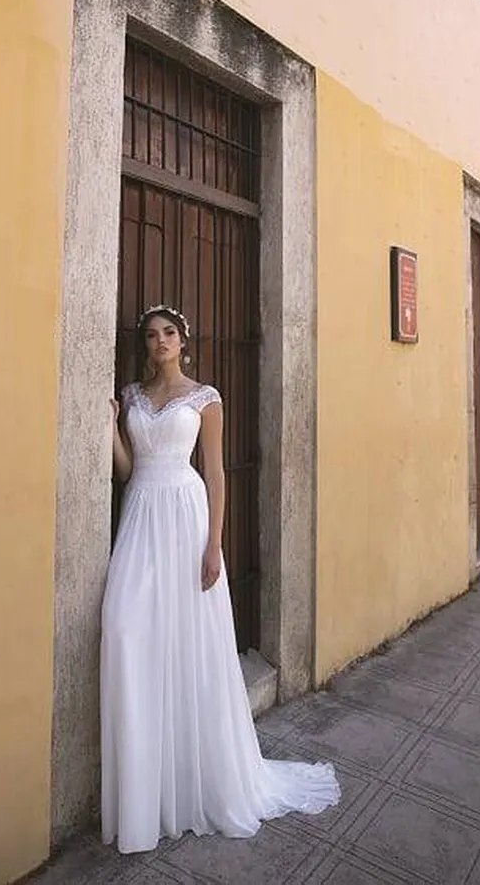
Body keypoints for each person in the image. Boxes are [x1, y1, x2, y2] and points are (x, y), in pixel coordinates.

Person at [100, 304, 340, 853]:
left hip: (187, 519)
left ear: (184, 340)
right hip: (140, 515)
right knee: (123, 628)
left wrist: (215, 545)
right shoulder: (134, 396)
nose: (160, 341)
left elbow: (214, 473)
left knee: (188, 644)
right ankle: (145, 787)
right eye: (152, 335)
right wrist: (111, 426)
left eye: (169, 333)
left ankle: (194, 779)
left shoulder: (205, 398)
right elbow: (127, 471)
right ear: (145, 346)